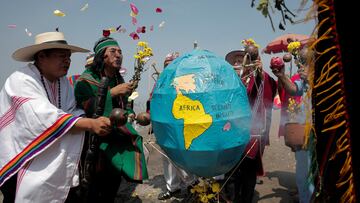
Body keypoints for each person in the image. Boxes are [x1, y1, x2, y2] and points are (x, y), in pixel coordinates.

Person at [0, 31, 112, 203]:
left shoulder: (62, 82)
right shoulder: (21, 79)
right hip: (21, 157)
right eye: (62, 56)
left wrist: (88, 120)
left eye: (69, 56)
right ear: (42, 56)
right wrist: (89, 123)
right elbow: (40, 116)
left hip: (49, 156)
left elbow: (71, 109)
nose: (67, 61)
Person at [74, 32, 149, 202]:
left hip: (116, 139)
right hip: (95, 143)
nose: (118, 55)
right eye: (113, 51)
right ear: (102, 55)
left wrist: (133, 116)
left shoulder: (118, 79)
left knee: (112, 185)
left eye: (120, 52)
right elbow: (86, 108)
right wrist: (113, 92)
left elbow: (124, 106)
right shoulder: (85, 81)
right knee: (93, 188)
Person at [224, 44, 277, 202]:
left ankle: (246, 199)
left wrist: (260, 72)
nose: (239, 63)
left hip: (251, 133)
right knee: (231, 172)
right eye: (236, 61)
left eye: (243, 60)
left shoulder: (256, 78)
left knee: (248, 172)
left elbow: (267, 88)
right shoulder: (228, 82)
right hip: (231, 133)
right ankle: (231, 198)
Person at [271, 47, 313, 203]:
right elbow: (294, 90)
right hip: (304, 131)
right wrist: (281, 76)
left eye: (305, 61)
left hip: (322, 133)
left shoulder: (326, 76)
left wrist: (312, 80)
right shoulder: (302, 78)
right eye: (300, 61)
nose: (301, 64)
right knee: (303, 174)